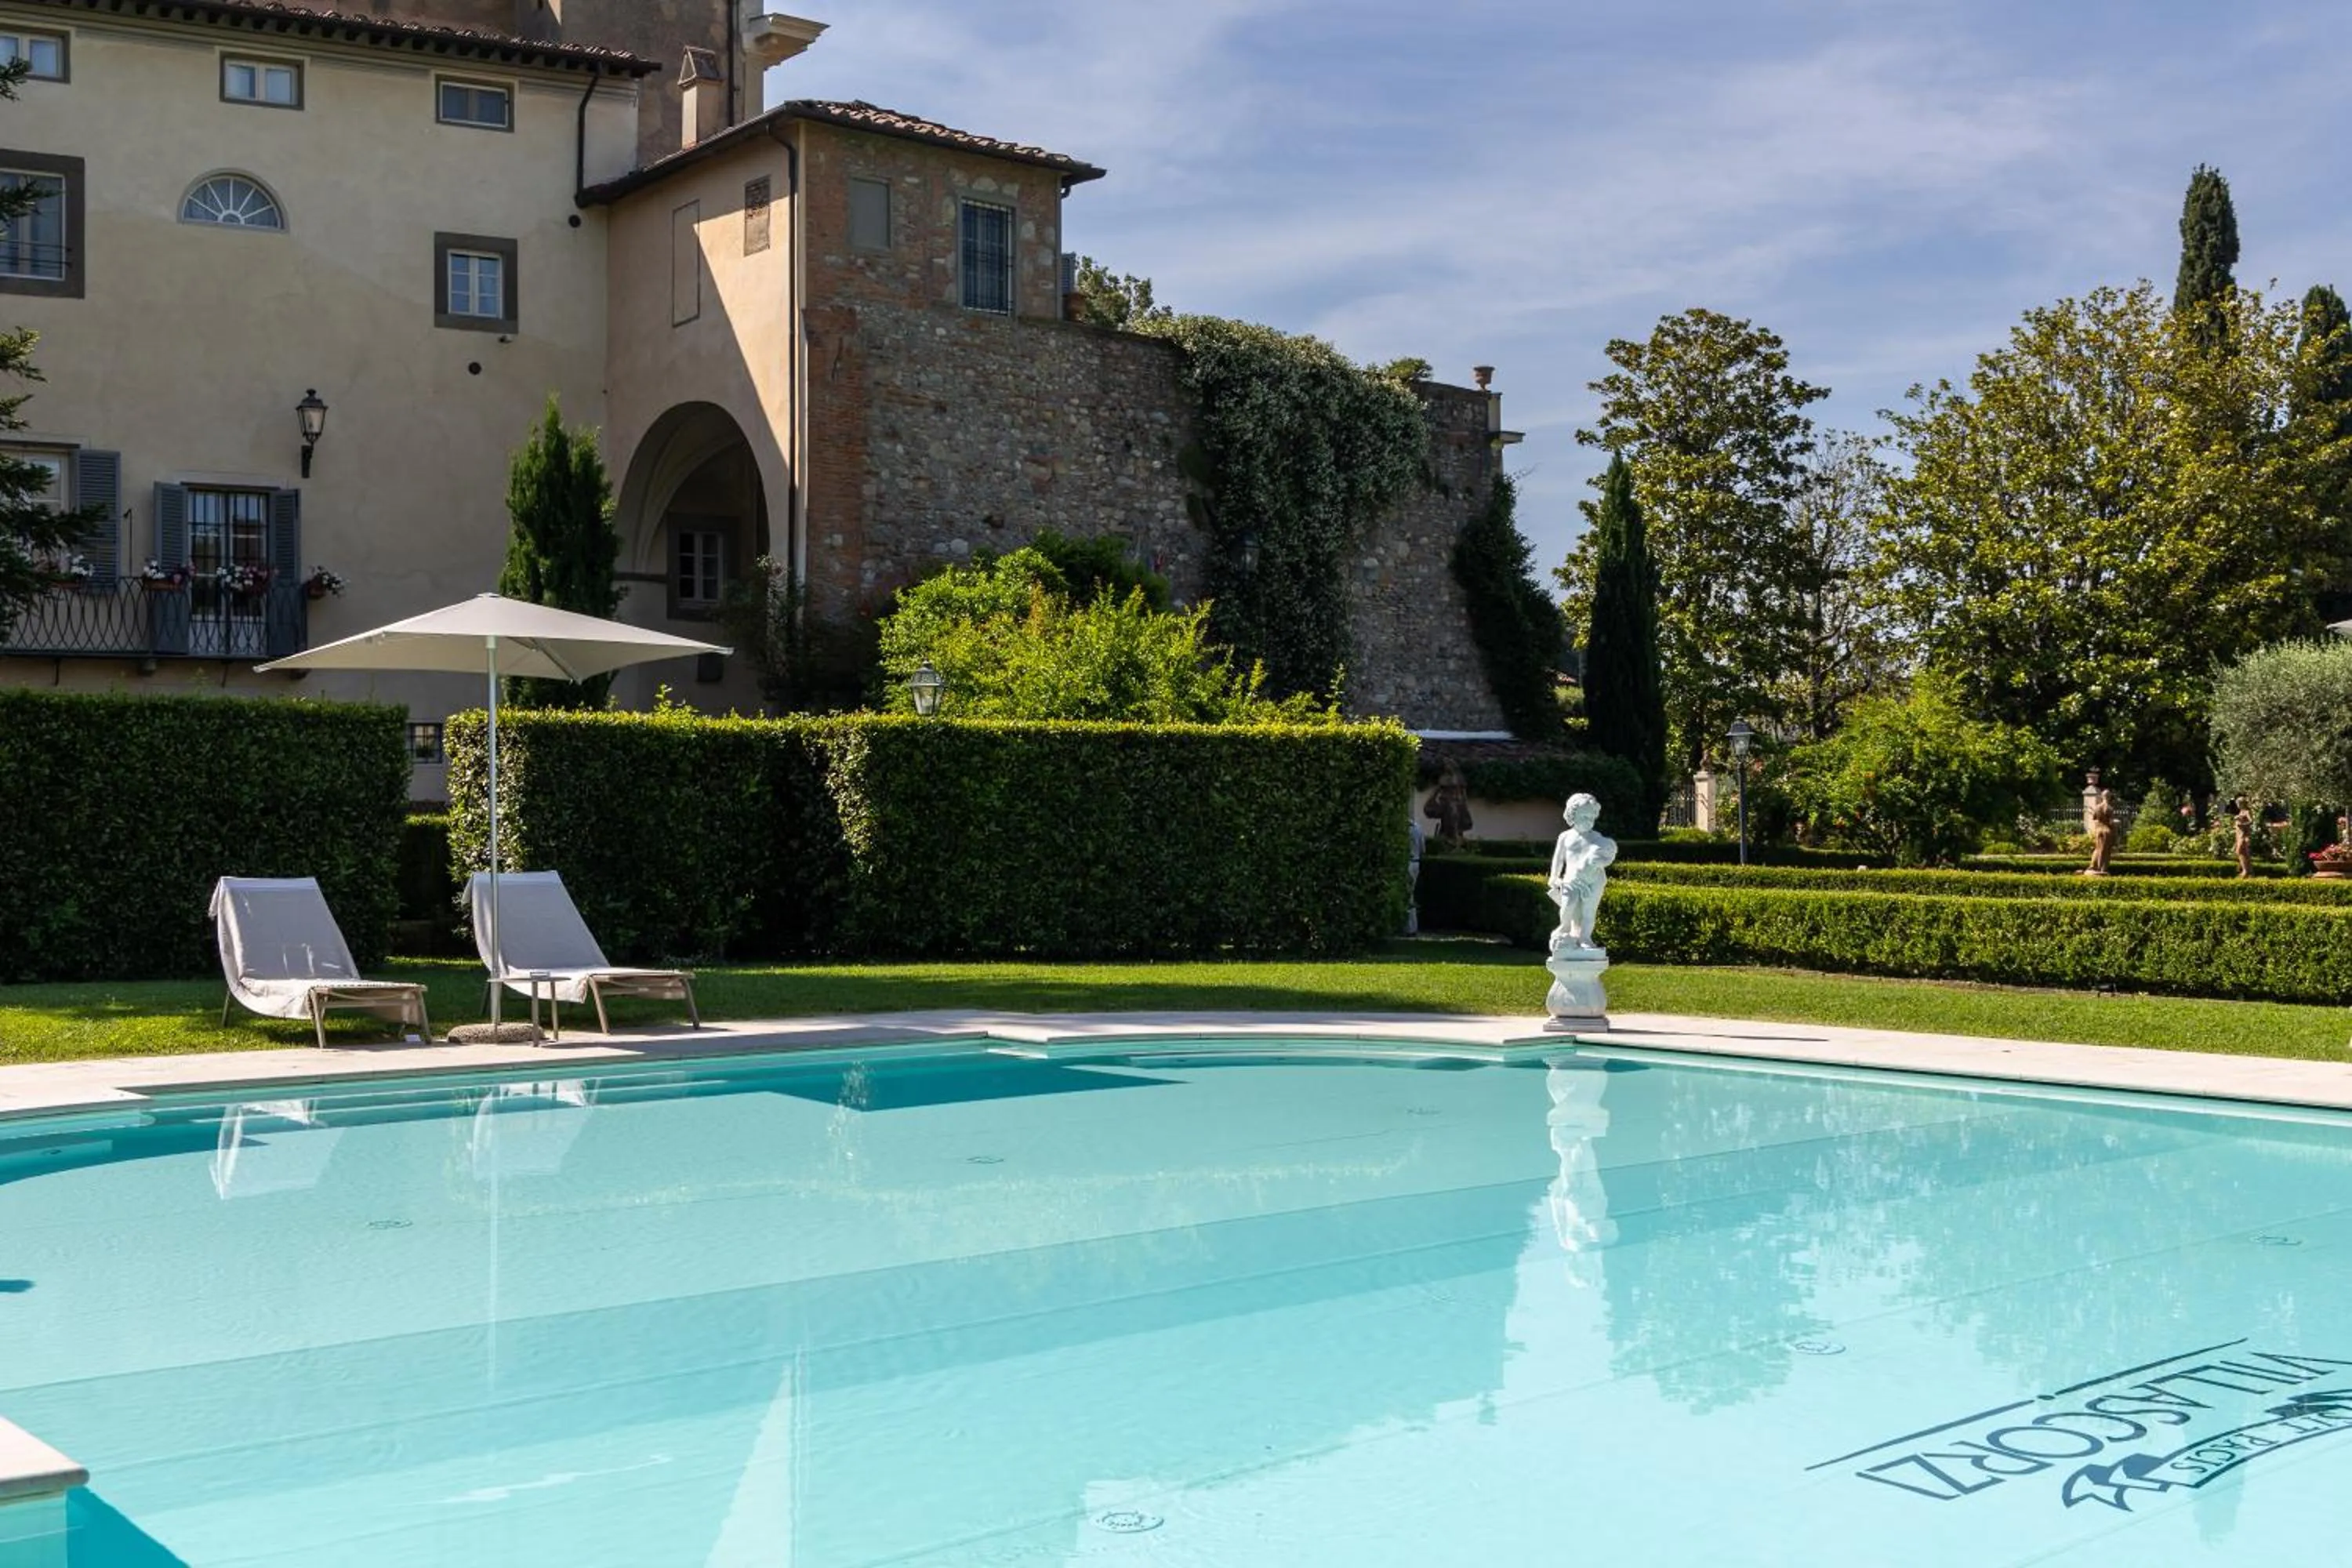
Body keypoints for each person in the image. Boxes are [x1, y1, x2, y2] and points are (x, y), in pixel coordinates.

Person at [1548, 793, 1617, 950]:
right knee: (1567, 906)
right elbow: (1558, 859)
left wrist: (1604, 857)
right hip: (1571, 879)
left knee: (1589, 911)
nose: (1589, 821)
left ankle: (1585, 938)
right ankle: (1565, 929)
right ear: (1572, 815)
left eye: (1592, 817)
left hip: (1594, 879)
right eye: (1584, 817)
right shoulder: (1565, 837)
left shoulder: (1597, 838)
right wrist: (1554, 876)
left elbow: (1607, 854)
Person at [1424, 758, 1473, 850]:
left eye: (1448, 765)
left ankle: (1456, 837)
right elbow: (1439, 790)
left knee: (1455, 817)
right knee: (1448, 817)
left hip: (1456, 802)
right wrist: (1433, 797)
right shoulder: (1444, 778)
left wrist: (1463, 802)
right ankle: (1449, 837)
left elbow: (1463, 793)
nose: (1447, 767)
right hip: (1446, 802)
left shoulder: (1459, 778)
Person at [2083, 787, 2116, 877]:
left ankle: (2093, 866)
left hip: (2098, 831)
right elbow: (2111, 822)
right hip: (2106, 831)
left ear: (2102, 796)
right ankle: (2102, 869)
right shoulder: (2109, 808)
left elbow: (2094, 818)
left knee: (2097, 849)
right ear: (2109, 797)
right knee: (2105, 851)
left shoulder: (2097, 807)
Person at [2233, 797, 2253, 880]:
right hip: (2239, 834)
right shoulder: (2241, 812)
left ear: (2242, 803)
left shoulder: (2247, 812)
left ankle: (2246, 871)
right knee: (2240, 852)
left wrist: (2243, 825)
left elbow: (2251, 821)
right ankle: (2247, 870)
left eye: (2239, 803)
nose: (2237, 805)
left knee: (2241, 851)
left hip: (2244, 834)